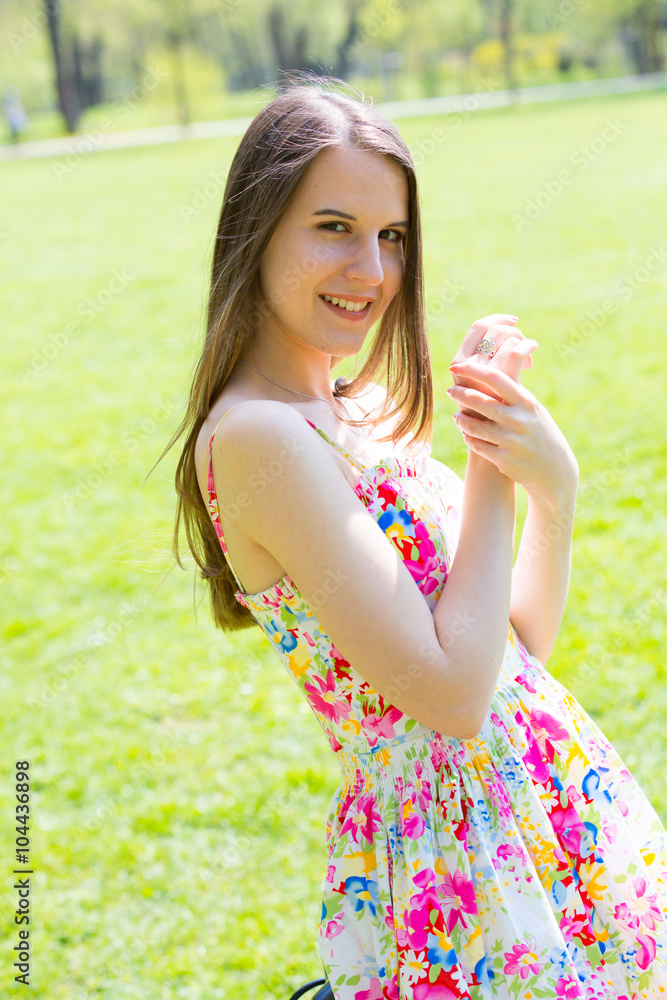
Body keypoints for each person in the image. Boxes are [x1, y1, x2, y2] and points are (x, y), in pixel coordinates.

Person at [169, 75, 667, 998]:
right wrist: (487, 466)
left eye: (390, 236)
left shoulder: (354, 410)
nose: (371, 271)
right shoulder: (256, 439)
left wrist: (552, 493)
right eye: (333, 228)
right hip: (459, 871)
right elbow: (448, 697)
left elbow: (508, 656)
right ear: (256, 227)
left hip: (552, 819)